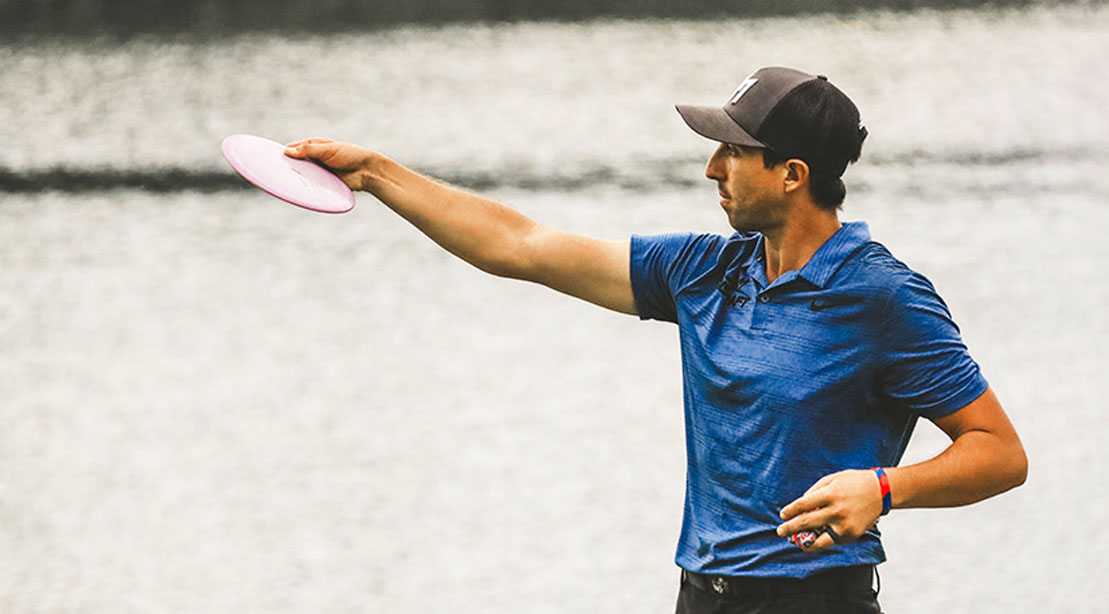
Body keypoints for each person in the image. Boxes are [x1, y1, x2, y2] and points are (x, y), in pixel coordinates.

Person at [284, 66, 1027, 614]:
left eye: (732, 152)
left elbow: (998, 452)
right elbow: (521, 246)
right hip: (700, 595)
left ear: (791, 174)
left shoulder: (883, 297)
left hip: (814, 600)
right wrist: (375, 172)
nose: (711, 168)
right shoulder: (703, 271)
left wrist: (886, 488)